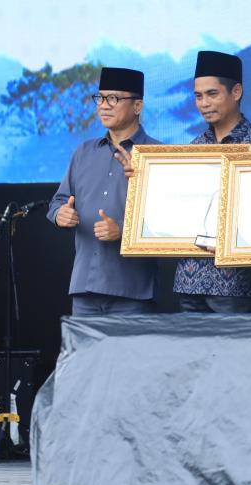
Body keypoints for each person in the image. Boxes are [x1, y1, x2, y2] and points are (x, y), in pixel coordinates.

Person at [170, 51, 251, 313]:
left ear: (236, 92)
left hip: (234, 285)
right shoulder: (193, 149)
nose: (204, 103)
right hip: (188, 281)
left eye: (212, 94)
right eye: (198, 96)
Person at [48, 67, 159, 316]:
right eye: (100, 98)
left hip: (132, 292)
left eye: (114, 99)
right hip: (84, 289)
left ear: (138, 106)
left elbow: (169, 220)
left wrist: (123, 230)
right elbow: (58, 202)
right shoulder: (83, 152)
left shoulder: (157, 154)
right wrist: (60, 214)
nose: (104, 106)